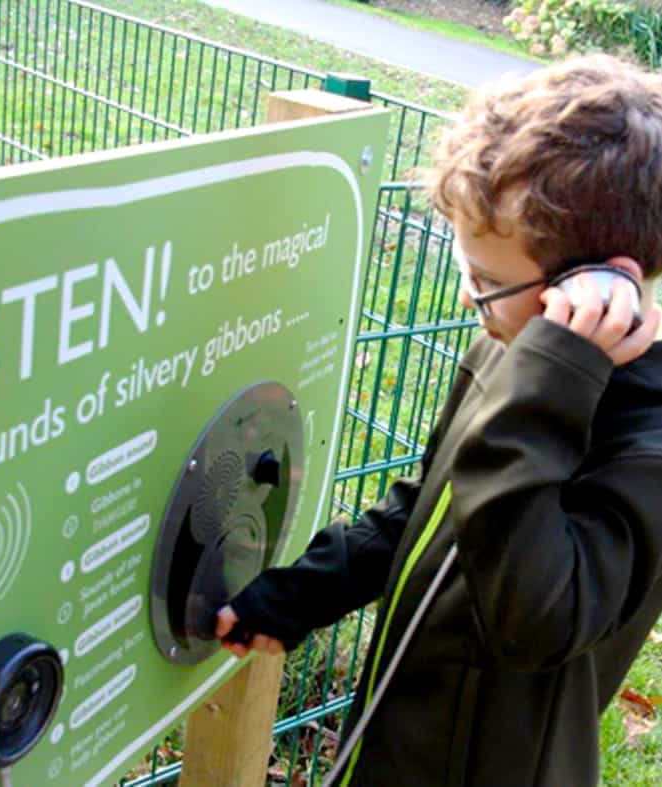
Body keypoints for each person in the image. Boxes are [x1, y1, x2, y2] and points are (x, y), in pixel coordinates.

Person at [214, 53, 662, 786]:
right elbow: (428, 506)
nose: (466, 300)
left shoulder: (641, 436)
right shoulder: (513, 357)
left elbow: (533, 616)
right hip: (395, 736)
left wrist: (544, 383)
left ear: (591, 283)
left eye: (487, 282)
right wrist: (296, 596)